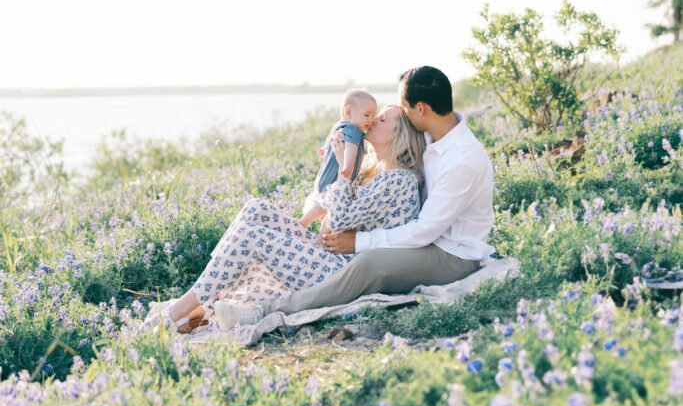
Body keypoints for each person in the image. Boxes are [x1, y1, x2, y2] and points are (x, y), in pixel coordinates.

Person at [215, 66, 494, 330]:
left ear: (421, 108)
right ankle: (214, 298)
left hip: (451, 253)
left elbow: (424, 231)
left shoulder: (461, 160)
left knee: (370, 263)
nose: (403, 117)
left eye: (405, 108)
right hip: (427, 238)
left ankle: (267, 311)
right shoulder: (434, 137)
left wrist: (358, 242)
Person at [140, 104, 424, 333]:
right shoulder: (371, 169)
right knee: (256, 209)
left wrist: (343, 172)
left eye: (383, 120)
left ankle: (180, 310)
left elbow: (339, 219)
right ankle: (206, 294)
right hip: (328, 253)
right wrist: (299, 226)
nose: (372, 121)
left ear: (399, 136)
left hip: (342, 273)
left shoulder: (399, 180)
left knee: (250, 237)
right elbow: (328, 206)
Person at [298, 88, 377, 232]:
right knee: (328, 208)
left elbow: (330, 138)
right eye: (367, 115)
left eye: (373, 116)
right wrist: (347, 166)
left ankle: (311, 229)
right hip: (335, 180)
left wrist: (324, 148)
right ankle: (305, 225)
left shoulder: (339, 125)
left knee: (326, 210)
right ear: (348, 112)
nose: (371, 120)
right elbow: (351, 149)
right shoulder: (354, 130)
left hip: (324, 177)